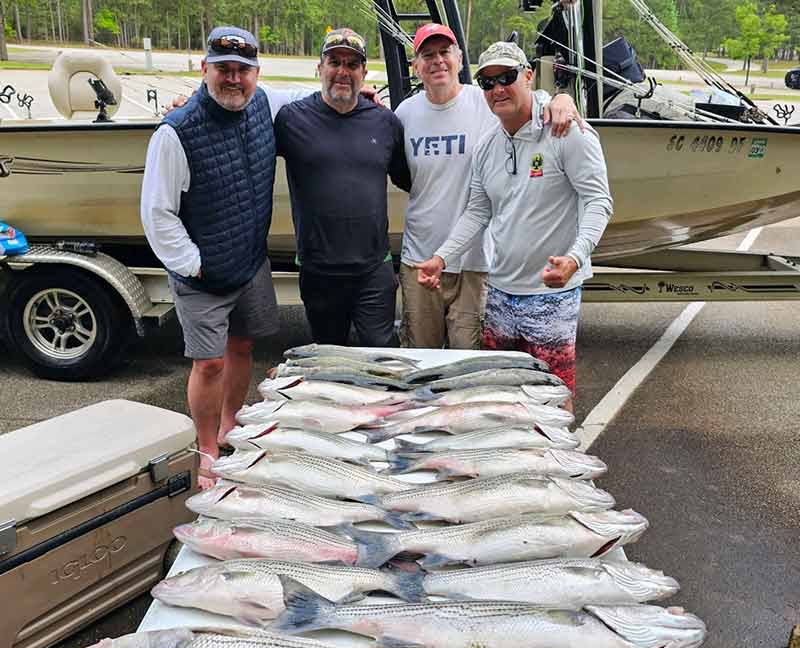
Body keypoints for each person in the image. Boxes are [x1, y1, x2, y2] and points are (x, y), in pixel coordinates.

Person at [141, 27, 307, 488]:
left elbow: (304, 97)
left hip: (249, 260)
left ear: (256, 73)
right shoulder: (175, 132)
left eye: (242, 70)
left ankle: (231, 422)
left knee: (243, 346)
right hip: (202, 270)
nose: (234, 78)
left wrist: (358, 91)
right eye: (223, 69)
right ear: (204, 70)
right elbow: (157, 213)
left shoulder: (263, 102)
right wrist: (193, 263)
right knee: (209, 363)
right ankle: (207, 447)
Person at [415, 41, 612, 410]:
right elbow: (478, 211)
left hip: (551, 295)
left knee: (552, 398)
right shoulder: (488, 144)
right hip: (500, 293)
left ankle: (558, 450)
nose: (498, 89)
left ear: (529, 76)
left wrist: (575, 258)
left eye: (507, 77)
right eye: (487, 82)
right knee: (502, 396)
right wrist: (442, 258)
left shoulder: (566, 130)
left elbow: (599, 201)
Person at [396, 24, 582, 351]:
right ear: (416, 66)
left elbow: (527, 100)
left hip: (477, 262)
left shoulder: (485, 100)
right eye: (427, 55)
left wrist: (561, 99)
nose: (437, 61)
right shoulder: (404, 113)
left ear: (459, 58)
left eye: (444, 52)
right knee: (420, 359)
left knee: (469, 363)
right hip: (420, 259)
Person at [273, 28, 411, 348]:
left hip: (374, 269)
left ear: (364, 72)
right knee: (328, 356)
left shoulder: (385, 122)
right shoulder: (290, 120)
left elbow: (410, 180)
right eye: (334, 62)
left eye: (352, 64)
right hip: (318, 271)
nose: (343, 72)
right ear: (319, 68)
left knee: (381, 356)